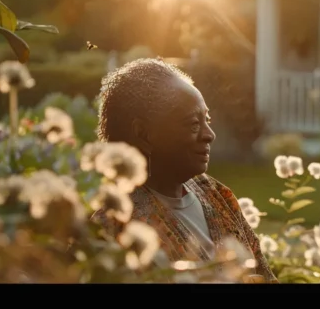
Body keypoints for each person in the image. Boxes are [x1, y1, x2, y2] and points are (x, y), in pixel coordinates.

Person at [90, 58, 276, 282]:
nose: (209, 134)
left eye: (207, 120)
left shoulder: (217, 195)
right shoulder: (111, 230)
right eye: (193, 124)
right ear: (143, 134)